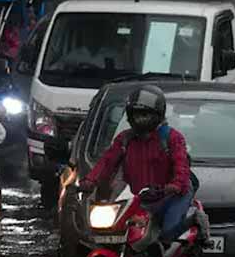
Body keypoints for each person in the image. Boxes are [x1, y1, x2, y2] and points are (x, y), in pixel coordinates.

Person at [79, 84, 195, 245]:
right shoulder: (124, 139)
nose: (139, 119)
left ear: (157, 115)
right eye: (135, 114)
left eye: (144, 115)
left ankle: (194, 224)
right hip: (141, 197)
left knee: (168, 234)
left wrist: (175, 185)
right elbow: (106, 162)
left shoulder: (172, 138)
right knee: (120, 230)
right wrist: (90, 181)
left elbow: (181, 166)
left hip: (171, 196)